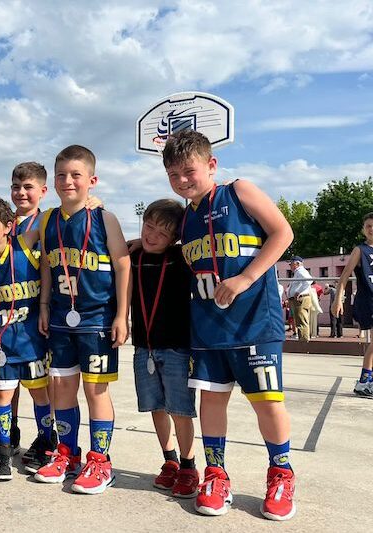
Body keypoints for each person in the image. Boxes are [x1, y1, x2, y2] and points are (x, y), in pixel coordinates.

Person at [165, 130, 296, 520]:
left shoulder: (238, 191)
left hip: (255, 322)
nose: (182, 180)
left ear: (211, 165)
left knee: (267, 402)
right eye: (173, 174)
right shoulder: (184, 217)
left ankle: (281, 474)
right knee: (211, 401)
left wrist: (246, 278)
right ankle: (216, 474)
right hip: (208, 326)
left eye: (188, 171)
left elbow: (283, 232)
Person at [36, 145, 130, 495]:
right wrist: (44, 304)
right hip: (61, 318)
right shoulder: (47, 220)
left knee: (95, 390)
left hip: (97, 319)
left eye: (76, 175)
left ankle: (100, 461)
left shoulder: (105, 218)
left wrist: (122, 315)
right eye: (61, 175)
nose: (68, 181)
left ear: (92, 180)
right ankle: (67, 453)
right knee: (62, 387)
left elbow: (123, 265)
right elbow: (47, 265)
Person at [0, 195, 54, 480]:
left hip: (32, 341)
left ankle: (46, 442)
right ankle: (4, 449)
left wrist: (93, 202)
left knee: (39, 394)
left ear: (8, 226)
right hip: (2, 343)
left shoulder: (24, 243)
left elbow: (51, 220)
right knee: (2, 396)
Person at [129, 199, 199, 498]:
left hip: (177, 348)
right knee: (155, 407)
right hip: (143, 346)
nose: (152, 235)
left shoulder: (181, 257)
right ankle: (169, 460)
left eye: (162, 232)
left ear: (174, 238)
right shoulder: (133, 257)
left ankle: (188, 465)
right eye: (149, 227)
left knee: (180, 410)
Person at [331, 212, 373, 396]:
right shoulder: (360, 250)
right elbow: (344, 276)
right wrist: (338, 299)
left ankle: (366, 380)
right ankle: (364, 382)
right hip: (368, 300)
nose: (371, 229)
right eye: (368, 226)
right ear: (363, 230)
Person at [287, 257, 312, 341]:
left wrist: (298, 292)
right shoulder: (298, 272)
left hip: (301, 299)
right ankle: (303, 339)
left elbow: (309, 281)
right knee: (300, 320)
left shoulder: (301, 271)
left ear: (297, 264)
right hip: (299, 299)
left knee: (301, 320)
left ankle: (304, 340)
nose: (290, 266)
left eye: (291, 264)